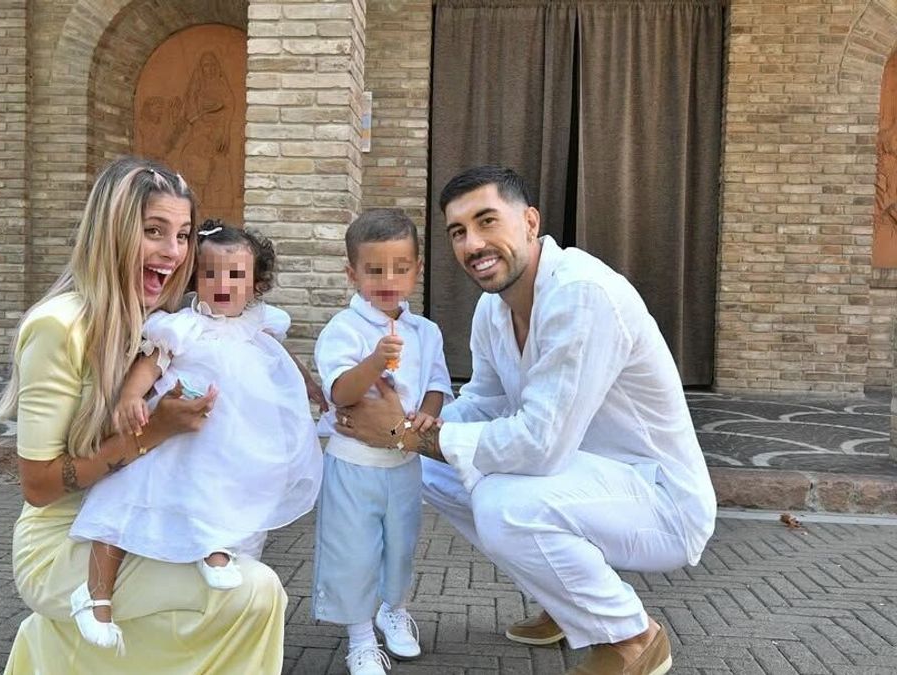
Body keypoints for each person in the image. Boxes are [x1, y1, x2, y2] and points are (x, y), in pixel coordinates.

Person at [333, 166, 717, 675]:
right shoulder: (493, 310)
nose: (473, 243)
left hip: (659, 502)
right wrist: (400, 424)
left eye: (487, 221)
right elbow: (485, 403)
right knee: (424, 469)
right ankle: (567, 601)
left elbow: (539, 445)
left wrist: (402, 434)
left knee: (503, 504)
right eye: (458, 232)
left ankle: (632, 638)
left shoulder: (582, 295)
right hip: (585, 482)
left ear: (530, 222)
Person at [0, 158, 287, 674]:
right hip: (66, 541)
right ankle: (56, 638)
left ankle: (60, 649)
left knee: (237, 583)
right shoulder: (59, 326)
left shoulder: (161, 319)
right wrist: (156, 431)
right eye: (154, 231)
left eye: (183, 235)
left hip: (150, 516)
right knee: (254, 591)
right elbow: (38, 486)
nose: (173, 252)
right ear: (112, 232)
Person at [68, 221, 324, 653]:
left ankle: (215, 550)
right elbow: (152, 362)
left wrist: (311, 385)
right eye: (210, 274)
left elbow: (284, 357)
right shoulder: (184, 325)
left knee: (231, 492)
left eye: (236, 275)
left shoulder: (258, 325)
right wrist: (130, 396)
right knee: (123, 500)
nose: (223, 284)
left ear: (256, 283)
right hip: (178, 438)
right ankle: (95, 596)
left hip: (234, 441)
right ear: (193, 278)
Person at [312, 209, 453, 675]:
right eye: (374, 270)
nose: (388, 280)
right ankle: (359, 638)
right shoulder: (344, 329)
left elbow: (437, 383)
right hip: (354, 463)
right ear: (352, 273)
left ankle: (393, 610)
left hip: (404, 463)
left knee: (400, 545)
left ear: (417, 269)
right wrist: (375, 361)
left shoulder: (426, 332)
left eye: (400, 268)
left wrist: (427, 413)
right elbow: (340, 393)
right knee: (352, 551)